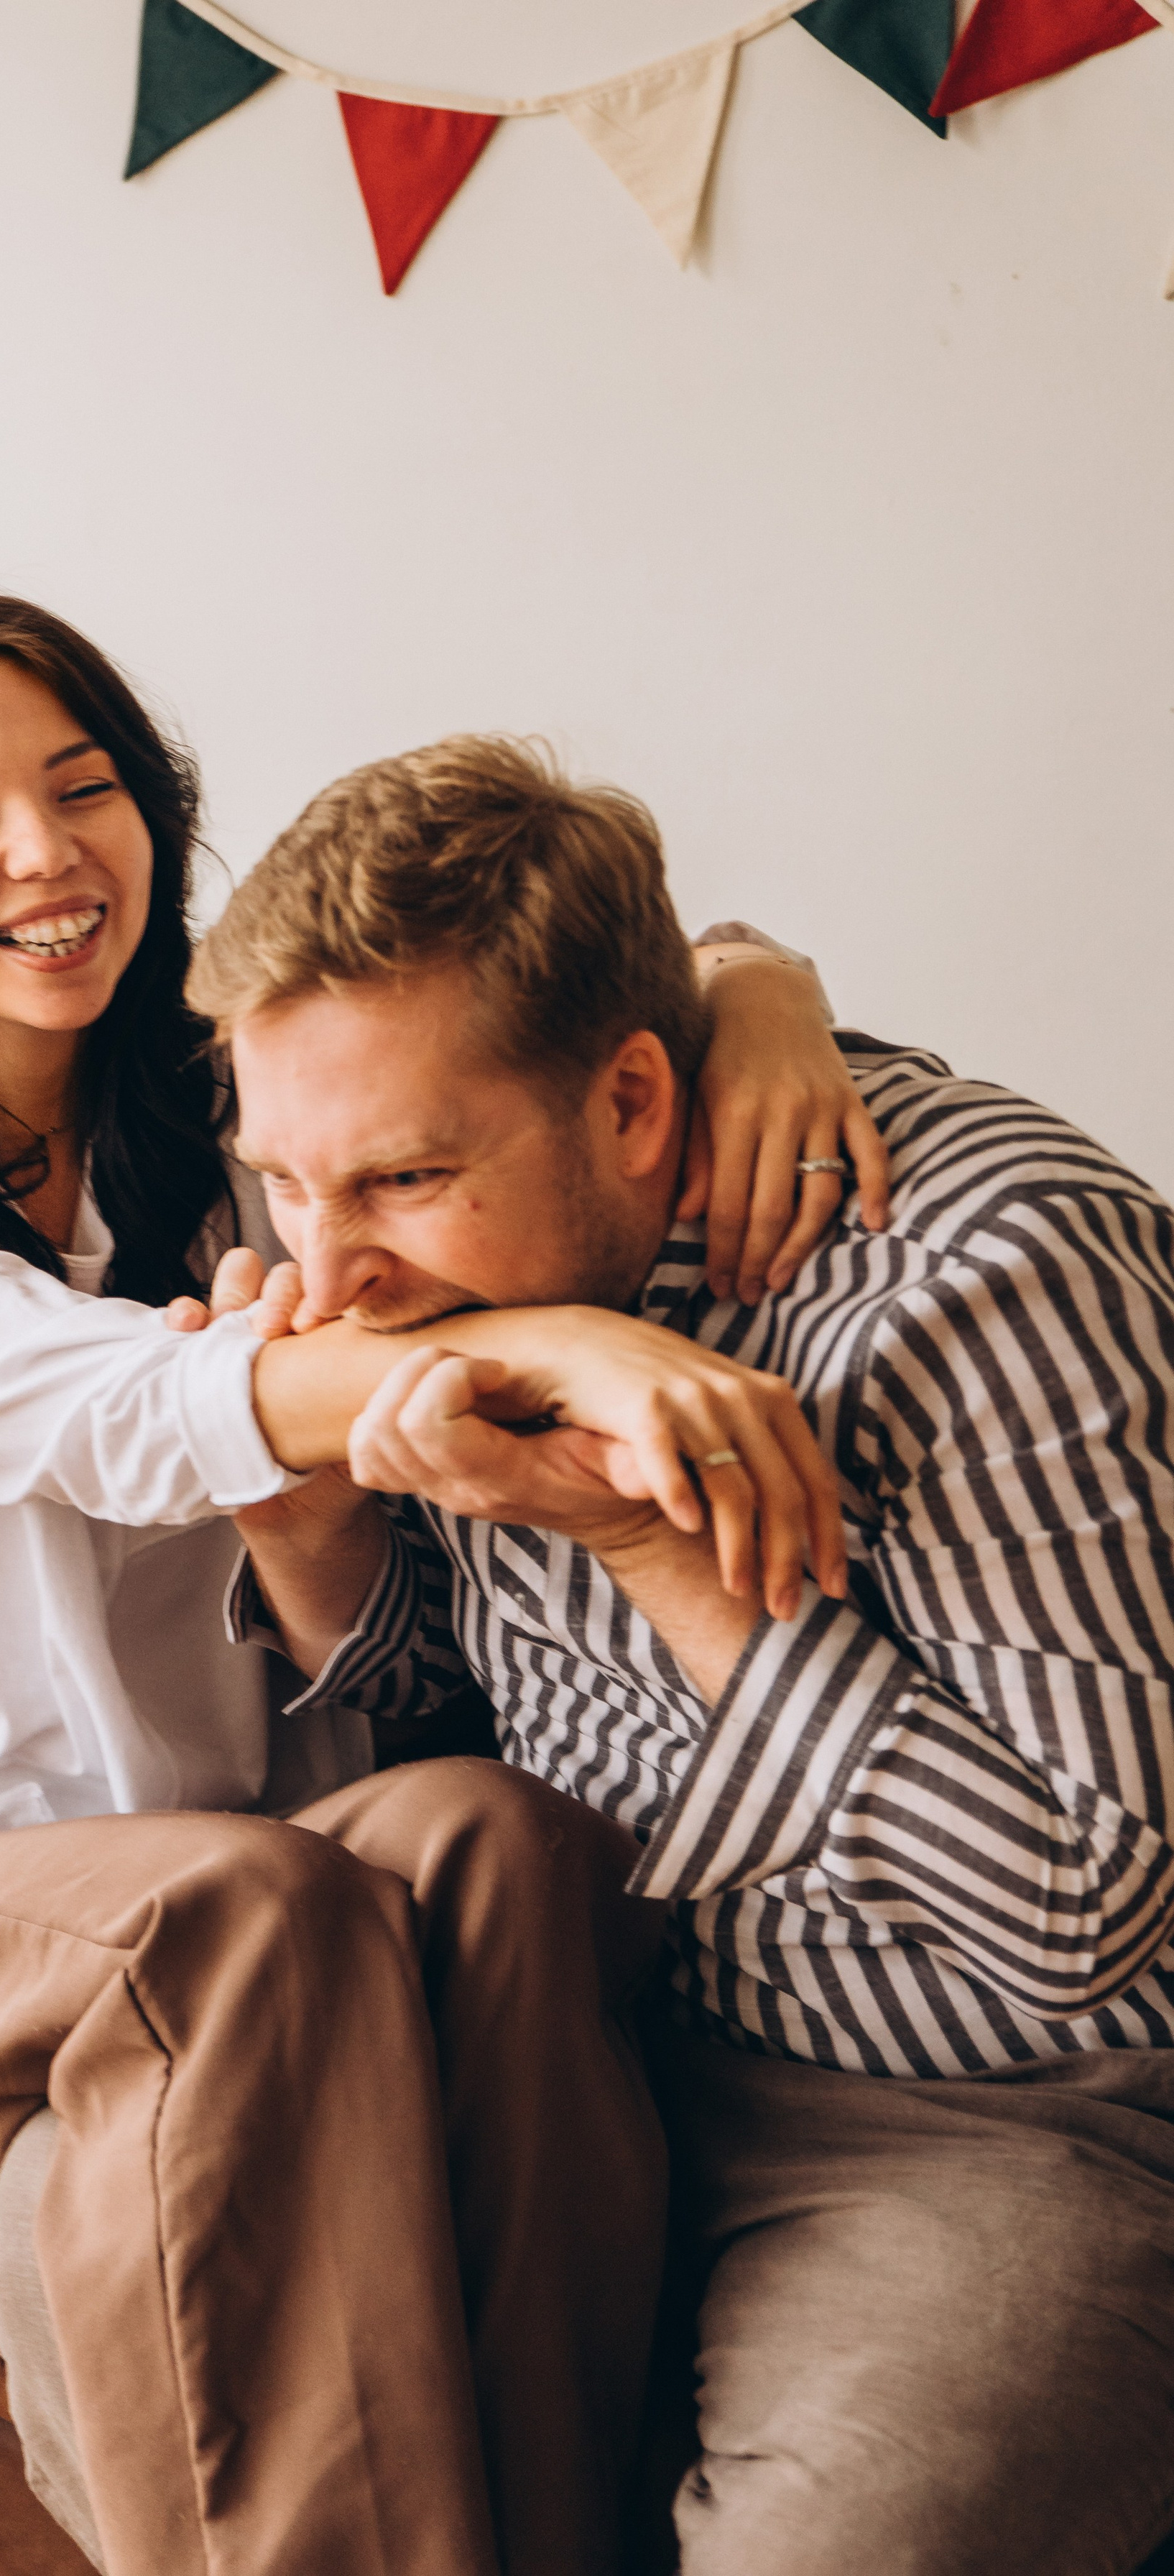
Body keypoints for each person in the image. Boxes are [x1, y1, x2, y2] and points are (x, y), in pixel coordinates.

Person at [0, 593, 869, 2576]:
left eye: (84, 789)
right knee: (238, 1910)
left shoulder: (235, 1125)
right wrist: (557, 1349)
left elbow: (541, 991)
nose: (46, 853)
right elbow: (122, 1409)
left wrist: (760, 988)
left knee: (498, 1833)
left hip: (247, 1860)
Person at [189, 731, 1174, 2576]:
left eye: (399, 1178)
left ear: (633, 1100)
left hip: (992, 2114)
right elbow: (449, 1719)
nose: (322, 1278)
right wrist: (304, 1536)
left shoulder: (986, 1271)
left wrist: (654, 1552)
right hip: (567, 2033)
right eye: (284, 1185)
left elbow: (1083, 1914)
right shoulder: (423, 1272)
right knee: (110, 2252)